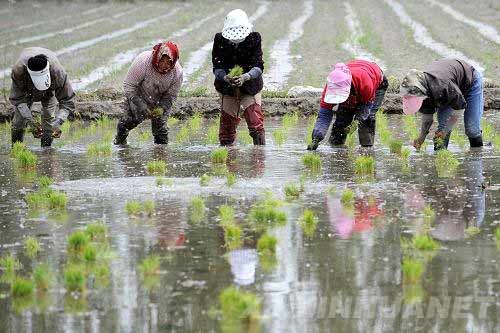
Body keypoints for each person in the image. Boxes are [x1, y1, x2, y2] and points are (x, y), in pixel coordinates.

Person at [400, 58, 484, 150]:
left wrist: (446, 130)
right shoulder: (421, 92)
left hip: (471, 82)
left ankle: (477, 155)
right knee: (442, 129)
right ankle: (440, 155)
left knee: (472, 129)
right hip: (451, 88)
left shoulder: (443, 86)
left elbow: (459, 108)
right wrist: (421, 138)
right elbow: (427, 119)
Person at [212, 9, 265, 146]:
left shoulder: (254, 38)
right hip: (227, 87)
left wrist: (246, 77)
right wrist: (225, 77)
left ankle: (259, 159)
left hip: (250, 86)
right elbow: (217, 67)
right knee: (226, 129)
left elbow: (258, 66)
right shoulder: (220, 39)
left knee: (255, 125)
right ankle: (228, 161)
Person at [307, 60, 388, 150]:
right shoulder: (331, 85)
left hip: (375, 81)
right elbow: (324, 115)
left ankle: (366, 149)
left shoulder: (365, 82)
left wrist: (356, 122)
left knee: (368, 118)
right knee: (343, 117)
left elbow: (365, 107)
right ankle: (336, 146)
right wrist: (316, 138)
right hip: (355, 80)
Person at [114, 41, 183, 145]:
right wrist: (140, 104)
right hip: (139, 95)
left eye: (168, 62)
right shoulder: (143, 62)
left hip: (161, 99)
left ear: (173, 62)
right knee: (129, 122)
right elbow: (129, 86)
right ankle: (119, 143)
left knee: (161, 130)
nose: (164, 65)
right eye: (162, 61)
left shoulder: (177, 72)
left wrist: (162, 107)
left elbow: (171, 95)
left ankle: (161, 154)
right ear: (157, 57)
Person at [9, 47, 75, 147]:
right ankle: (16, 148)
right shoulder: (19, 71)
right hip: (27, 89)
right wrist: (32, 123)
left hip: (50, 89)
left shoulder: (58, 73)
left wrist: (57, 123)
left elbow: (67, 101)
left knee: (49, 118)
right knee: (19, 121)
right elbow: (19, 100)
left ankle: (46, 151)